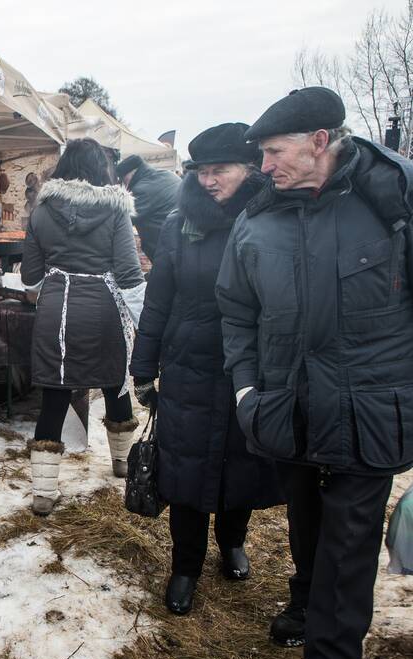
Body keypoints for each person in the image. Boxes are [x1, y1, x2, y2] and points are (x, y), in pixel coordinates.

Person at [216, 87, 413, 659]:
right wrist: (247, 389)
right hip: (288, 408)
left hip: (370, 411)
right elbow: (236, 311)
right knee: (306, 525)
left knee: (350, 544)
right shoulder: (257, 220)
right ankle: (306, 603)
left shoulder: (394, 204)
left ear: (320, 142)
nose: (265, 166)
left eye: (275, 152)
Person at [129, 123, 282, 616]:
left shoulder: (271, 217)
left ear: (250, 169)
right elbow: (160, 296)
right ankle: (185, 565)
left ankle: (233, 542)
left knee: (241, 457)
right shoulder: (180, 222)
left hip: (251, 364)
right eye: (203, 171)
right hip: (190, 358)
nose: (210, 180)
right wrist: (144, 363)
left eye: (223, 170)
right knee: (187, 464)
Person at [22, 138, 145, 516]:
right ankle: (122, 463)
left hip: (56, 311)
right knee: (113, 381)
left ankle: (44, 492)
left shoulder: (41, 210)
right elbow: (128, 274)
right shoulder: (115, 209)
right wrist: (148, 327)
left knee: (55, 397)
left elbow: (30, 279)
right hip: (103, 311)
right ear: (101, 169)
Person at [116, 155, 181, 261]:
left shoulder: (141, 190)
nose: (124, 185)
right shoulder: (167, 174)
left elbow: (121, 221)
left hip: (168, 251)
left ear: (133, 172)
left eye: (124, 179)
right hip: (183, 244)